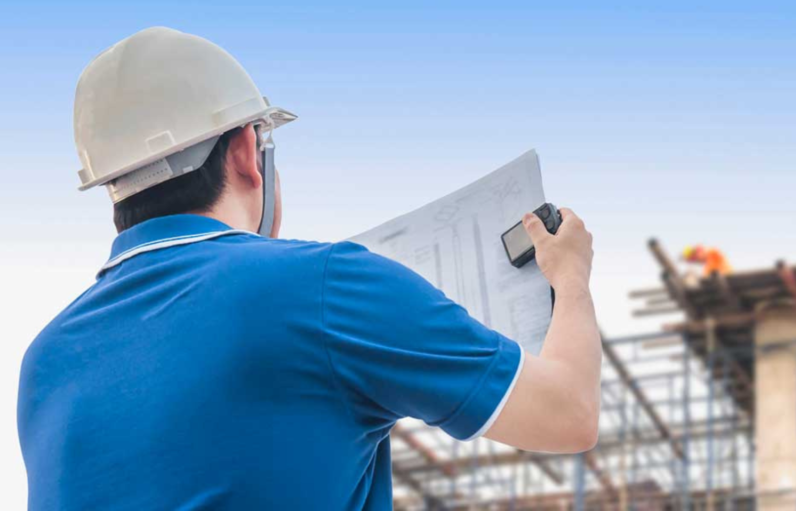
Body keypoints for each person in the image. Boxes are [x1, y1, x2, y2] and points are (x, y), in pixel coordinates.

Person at [17, 27, 600, 510]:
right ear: (247, 149)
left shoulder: (44, 362)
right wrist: (570, 279)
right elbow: (570, 412)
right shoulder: (323, 285)